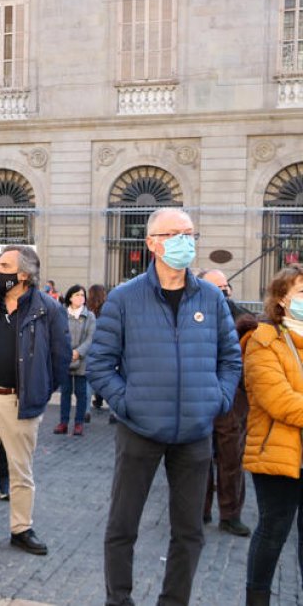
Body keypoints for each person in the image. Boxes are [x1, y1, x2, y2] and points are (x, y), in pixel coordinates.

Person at [87, 208, 241, 606]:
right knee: (123, 526)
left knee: (189, 531)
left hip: (194, 432)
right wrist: (127, 403)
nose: (185, 241)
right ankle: (118, 600)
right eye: (175, 234)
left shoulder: (210, 296)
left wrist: (217, 399)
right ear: (153, 243)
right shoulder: (124, 298)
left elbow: (230, 359)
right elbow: (100, 364)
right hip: (139, 430)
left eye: (190, 233)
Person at [0, 246, 69, 555]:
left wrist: (39, 391)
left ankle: (21, 528)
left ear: (23, 274)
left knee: (21, 469)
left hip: (19, 403)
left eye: (4, 265)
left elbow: (60, 359)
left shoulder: (48, 309)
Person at [241, 264, 303, 606]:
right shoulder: (264, 340)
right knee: (273, 531)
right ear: (281, 299)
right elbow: (279, 401)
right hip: (276, 453)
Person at [198, 268, 252, 535]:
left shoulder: (243, 317)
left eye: (226, 286)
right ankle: (200, 510)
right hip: (198, 400)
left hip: (232, 402)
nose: (223, 291)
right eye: (216, 287)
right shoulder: (191, 314)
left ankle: (230, 514)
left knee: (232, 460)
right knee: (198, 459)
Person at [55, 285, 95, 437]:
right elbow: (57, 335)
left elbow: (91, 338)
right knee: (65, 392)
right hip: (65, 359)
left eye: (83, 295)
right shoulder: (62, 314)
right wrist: (67, 352)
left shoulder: (89, 316)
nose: (81, 298)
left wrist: (79, 352)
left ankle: (79, 423)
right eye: (77, 295)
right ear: (70, 297)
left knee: (81, 392)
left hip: (82, 360)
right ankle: (63, 422)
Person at [86, 284, 109, 417]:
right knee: (107, 377)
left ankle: (86, 410)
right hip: (104, 345)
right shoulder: (108, 308)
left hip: (90, 346)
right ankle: (113, 412)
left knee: (89, 379)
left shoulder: (88, 309)